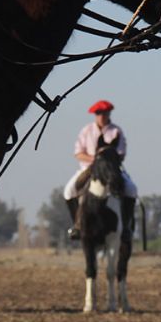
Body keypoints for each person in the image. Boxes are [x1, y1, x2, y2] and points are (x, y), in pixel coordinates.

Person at [63, 100, 138, 238]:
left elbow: (121, 154)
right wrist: (96, 160)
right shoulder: (86, 130)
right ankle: (78, 225)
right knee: (68, 191)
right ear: (95, 115)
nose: (102, 116)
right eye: (98, 113)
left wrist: (106, 162)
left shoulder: (116, 131)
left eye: (104, 113)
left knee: (131, 189)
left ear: (109, 113)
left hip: (112, 170)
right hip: (88, 169)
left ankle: (126, 226)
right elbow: (78, 153)